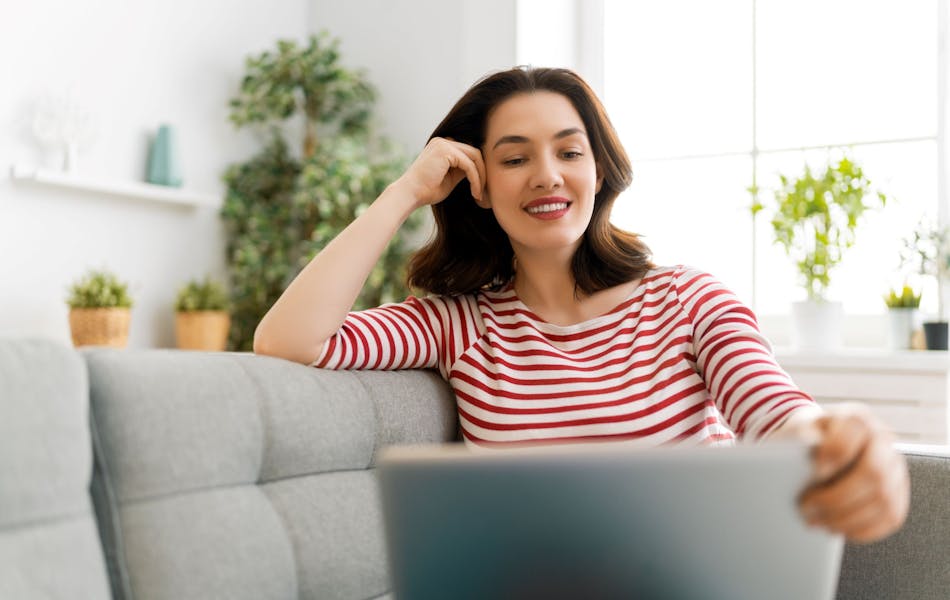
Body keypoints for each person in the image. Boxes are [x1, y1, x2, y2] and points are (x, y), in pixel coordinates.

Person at [253, 66, 909, 543]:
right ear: (478, 185)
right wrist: (402, 193)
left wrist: (841, 440)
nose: (547, 174)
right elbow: (290, 340)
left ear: (599, 172)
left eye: (570, 151)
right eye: (514, 159)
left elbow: (777, 415)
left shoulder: (688, 299)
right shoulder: (459, 325)